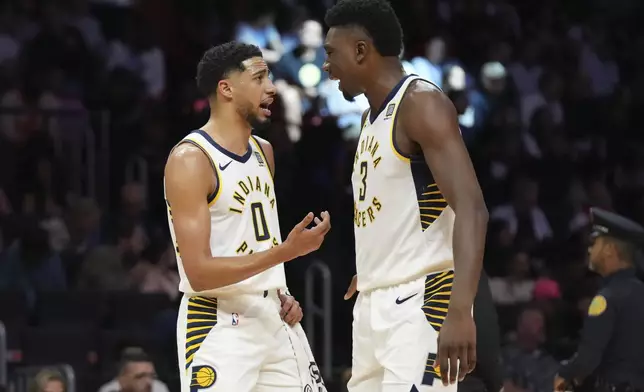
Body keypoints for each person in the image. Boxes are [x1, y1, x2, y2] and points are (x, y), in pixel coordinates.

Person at [322, 0, 489, 390]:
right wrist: (376, 264)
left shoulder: (420, 104)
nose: (327, 66)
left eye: (331, 53)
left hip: (420, 301)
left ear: (361, 50)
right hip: (373, 303)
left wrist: (460, 310)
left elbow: (472, 209)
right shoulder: (368, 119)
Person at [164, 41, 330, 392]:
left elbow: (255, 240)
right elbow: (198, 272)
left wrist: (279, 289)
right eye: (259, 78)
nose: (271, 88)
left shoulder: (264, 152)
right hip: (219, 322)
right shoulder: (191, 159)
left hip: (274, 316)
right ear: (225, 88)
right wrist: (286, 253)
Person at [554, 207, 644, 392]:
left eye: (594, 243)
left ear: (610, 249)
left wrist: (564, 374)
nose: (589, 249)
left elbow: (588, 359)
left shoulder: (606, 298)